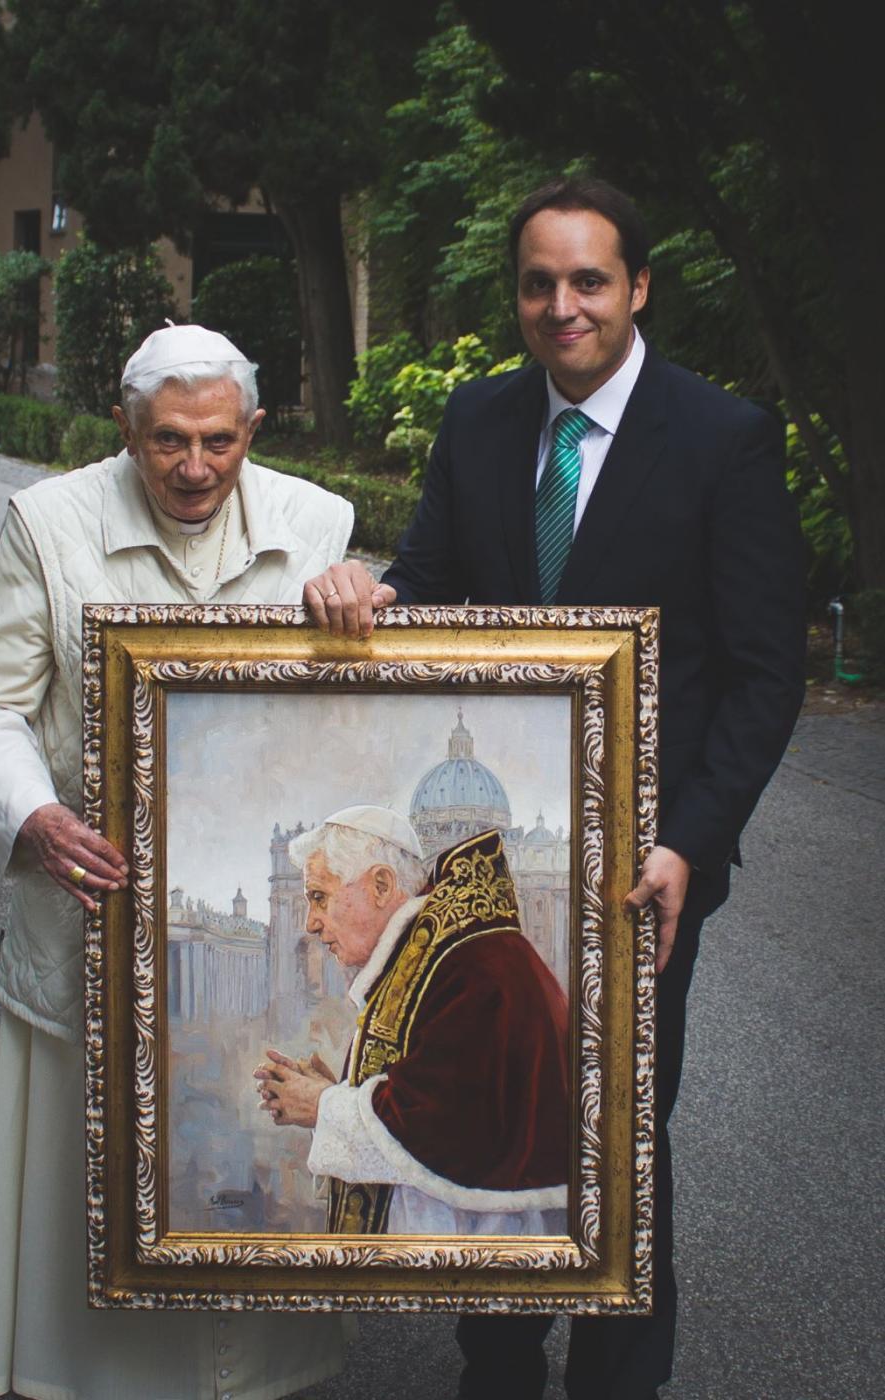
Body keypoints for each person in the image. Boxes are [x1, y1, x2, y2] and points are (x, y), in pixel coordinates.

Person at [303, 177, 807, 1399]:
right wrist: (363, 586)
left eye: (588, 280)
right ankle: (497, 1366)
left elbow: (760, 673)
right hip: (491, 879)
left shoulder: (720, 435)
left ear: (636, 287)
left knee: (619, 1131)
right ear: (518, 295)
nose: (561, 304)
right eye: (538, 282)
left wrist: (691, 839)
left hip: (644, 874)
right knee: (494, 1110)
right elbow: (423, 585)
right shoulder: (477, 423)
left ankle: (616, 1382)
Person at [0, 324, 355, 1400]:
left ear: (251, 431)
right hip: (89, 901)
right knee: (92, 1178)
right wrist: (31, 812)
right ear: (126, 429)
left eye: (219, 441)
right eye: (166, 440)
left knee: (240, 1141)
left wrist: (358, 609)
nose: (192, 467)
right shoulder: (49, 519)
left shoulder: (319, 522)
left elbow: (347, 712)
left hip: (239, 893)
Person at [255, 807, 569, 1237]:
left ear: (382, 885)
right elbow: (418, 1093)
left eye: (320, 897)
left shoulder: (471, 966)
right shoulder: (434, 954)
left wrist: (323, 1107)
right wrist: (335, 1095)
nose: (310, 923)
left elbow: (436, 1127)